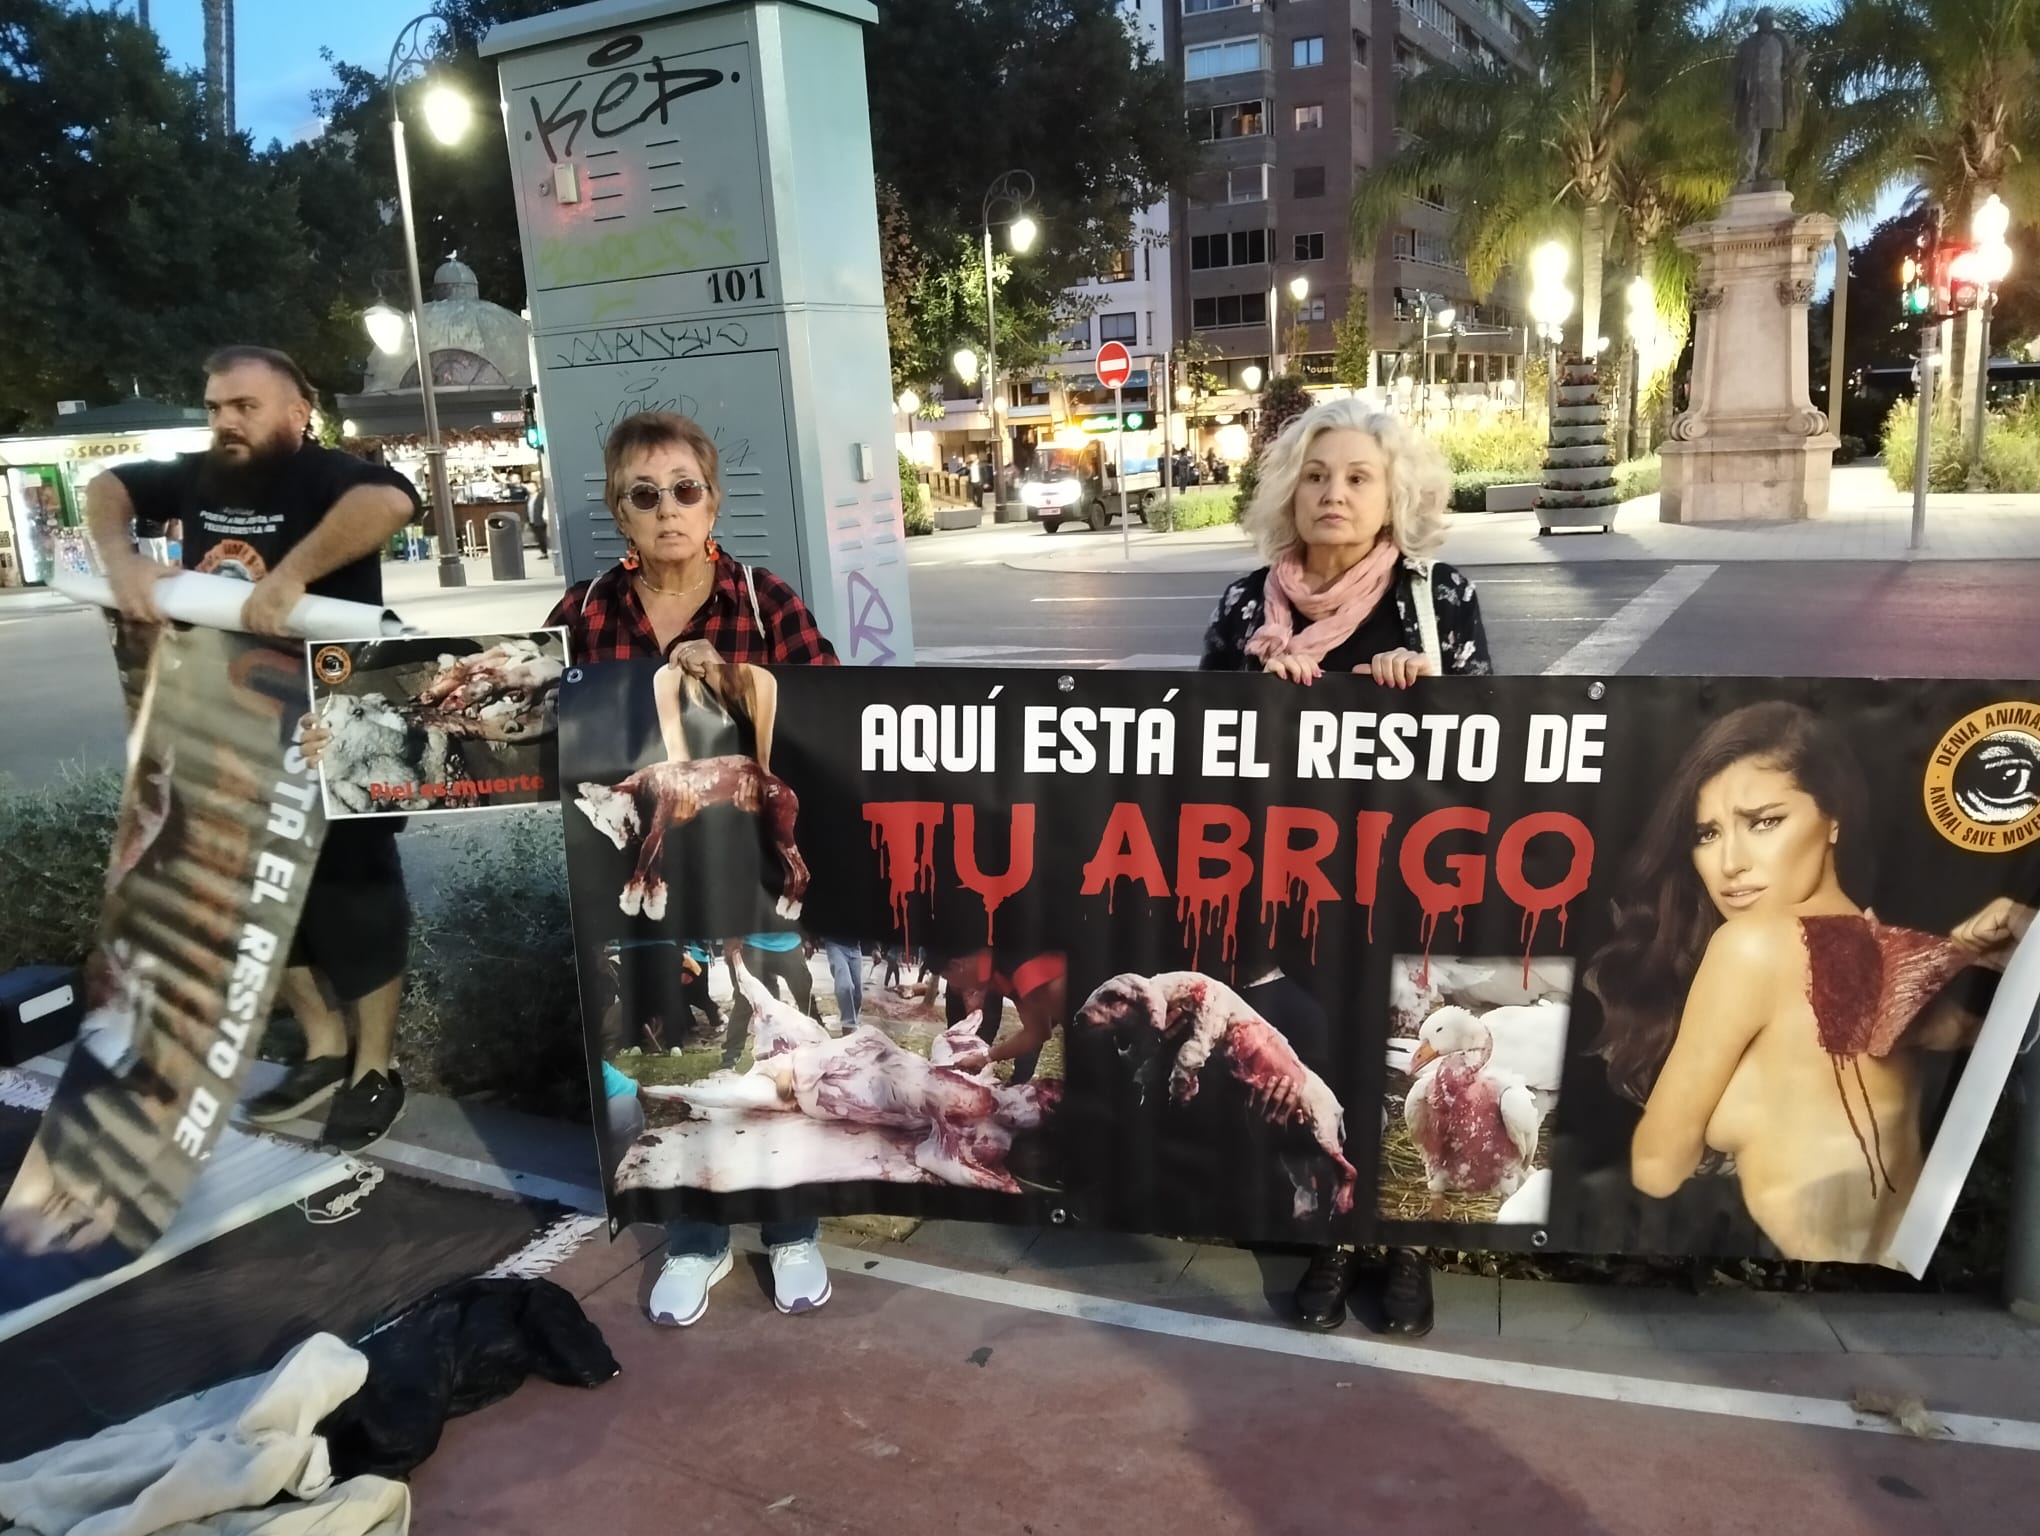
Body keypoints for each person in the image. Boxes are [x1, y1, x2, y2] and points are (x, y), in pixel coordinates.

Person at [1201, 393, 1492, 1337]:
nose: (1335, 494)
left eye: (1359, 477)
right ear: (1289, 491)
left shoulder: (1435, 597)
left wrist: (1426, 687)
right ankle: (1332, 1232)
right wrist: (1258, 688)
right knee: (1321, 1049)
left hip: (1404, 875)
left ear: (1392, 493)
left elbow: (1494, 740)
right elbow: (1192, 740)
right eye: (1317, 476)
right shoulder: (1249, 604)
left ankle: (1400, 1245)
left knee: (1401, 1049)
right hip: (1286, 879)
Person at [544, 409, 840, 1327]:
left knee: (777, 1033)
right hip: (637, 886)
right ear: (617, 511)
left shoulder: (763, 602)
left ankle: (793, 1227)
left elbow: (828, 718)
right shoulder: (583, 615)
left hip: (753, 874)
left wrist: (743, 681)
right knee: (667, 1034)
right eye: (645, 494)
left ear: (712, 501)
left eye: (685, 490)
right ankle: (696, 1234)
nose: (667, 509)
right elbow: (530, 726)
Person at [88, 346, 422, 1152]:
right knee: (260, 898)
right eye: (214, 406)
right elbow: (108, 488)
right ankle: (322, 1046)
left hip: (337, 730)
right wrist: (121, 558)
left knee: (355, 895)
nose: (225, 422)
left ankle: (376, 1066)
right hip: (229, 724)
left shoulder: (327, 476)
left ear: (296, 412)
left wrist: (292, 577)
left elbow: (393, 503)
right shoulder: (202, 475)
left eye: (244, 406)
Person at [1585, 701, 2035, 1262]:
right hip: (1888, 1267)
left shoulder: (1753, 945)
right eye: (1706, 833)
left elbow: (1657, 1168)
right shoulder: (1897, 955)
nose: (1730, 863)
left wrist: (1718, 1121)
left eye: (1764, 821)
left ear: (1833, 819)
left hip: (1802, 1281)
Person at [944, 952, 1068, 1085]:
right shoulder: (999, 976)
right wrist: (985, 1058)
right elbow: (1038, 1032)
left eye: (945, 977)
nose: (954, 988)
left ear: (957, 966)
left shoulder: (1019, 965)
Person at [721, 930, 816, 1067]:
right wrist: (729, 939)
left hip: (789, 944)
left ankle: (816, 1047)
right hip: (753, 945)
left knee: (804, 997)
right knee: (744, 1003)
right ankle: (730, 1058)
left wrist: (809, 938)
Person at [822, 939, 863, 1033]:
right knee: (845, 987)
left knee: (857, 996)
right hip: (835, 944)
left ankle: (853, 1023)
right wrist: (810, 940)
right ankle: (848, 1026)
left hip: (855, 947)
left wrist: (876, 948)